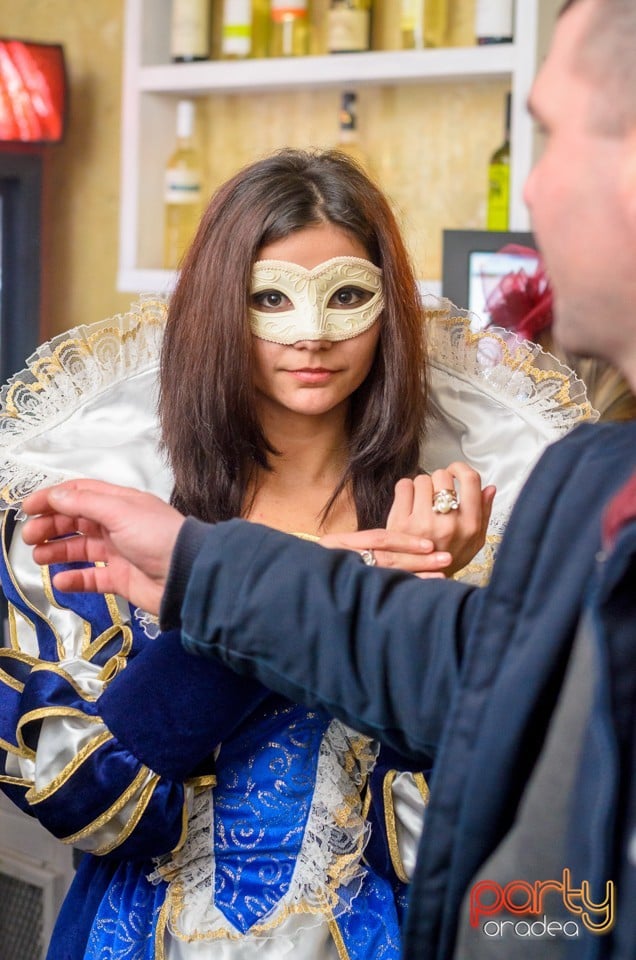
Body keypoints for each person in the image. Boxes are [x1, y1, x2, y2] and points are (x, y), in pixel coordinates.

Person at [14, 1, 636, 957]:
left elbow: (474, 843)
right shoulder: (104, 494)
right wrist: (283, 582)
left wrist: (424, 595)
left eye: (347, 296)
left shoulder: (469, 514)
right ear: (218, 308)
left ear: (390, 308)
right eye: (270, 298)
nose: (312, 332)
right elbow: (97, 803)